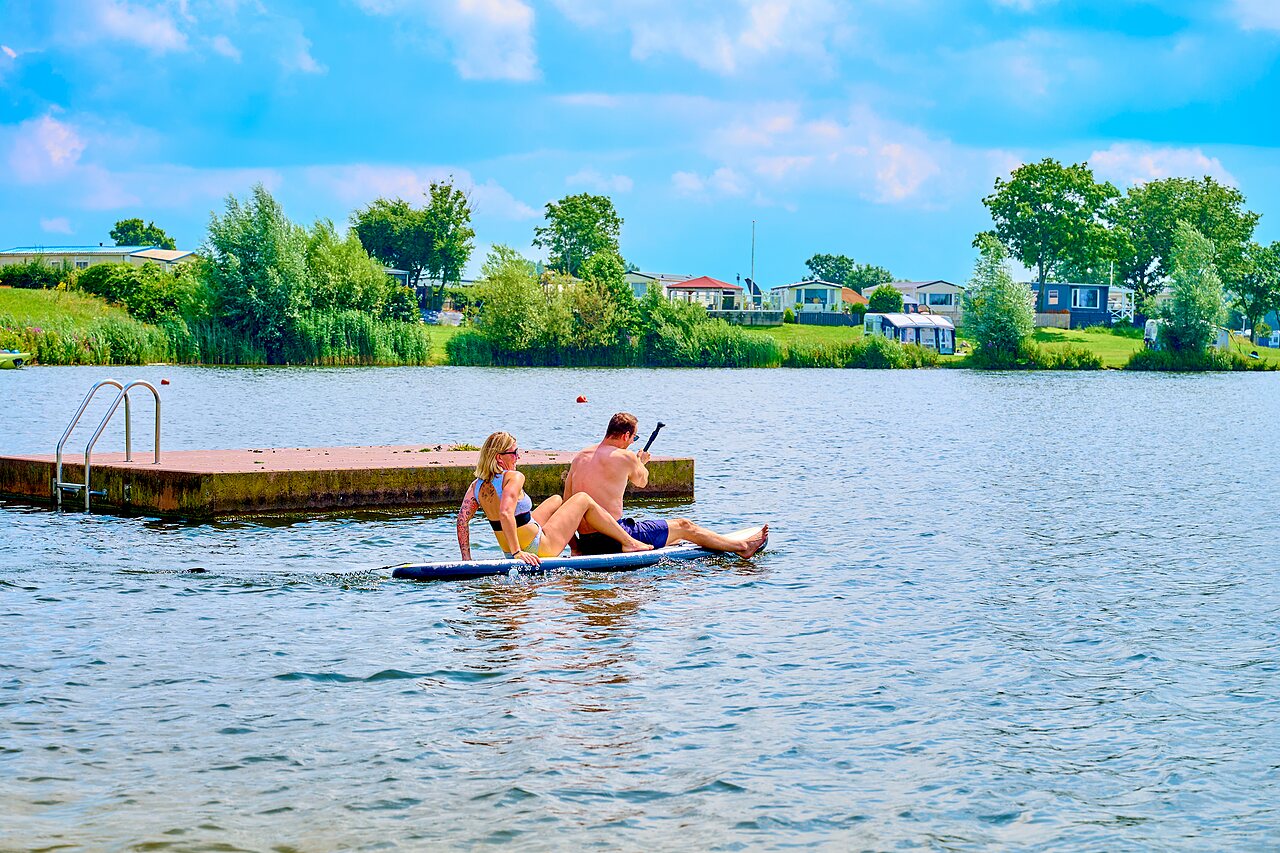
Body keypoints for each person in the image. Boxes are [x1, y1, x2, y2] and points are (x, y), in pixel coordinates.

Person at [565, 412, 768, 558]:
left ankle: (673, 540)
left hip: (587, 543)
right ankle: (742, 547)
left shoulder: (579, 457)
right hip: (617, 537)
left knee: (673, 536)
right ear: (626, 435)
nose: (633, 442)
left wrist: (576, 548)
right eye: (634, 438)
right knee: (684, 525)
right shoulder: (625, 457)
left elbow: (565, 509)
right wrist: (640, 462)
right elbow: (642, 481)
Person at [457, 431, 653, 566]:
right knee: (582, 499)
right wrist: (518, 553)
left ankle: (576, 550)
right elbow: (505, 512)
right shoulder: (513, 477)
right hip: (535, 549)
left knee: (557, 500)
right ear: (500, 458)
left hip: (513, 548)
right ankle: (629, 542)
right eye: (514, 453)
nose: (518, 457)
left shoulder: (476, 486)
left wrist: (467, 561)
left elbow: (462, 521)